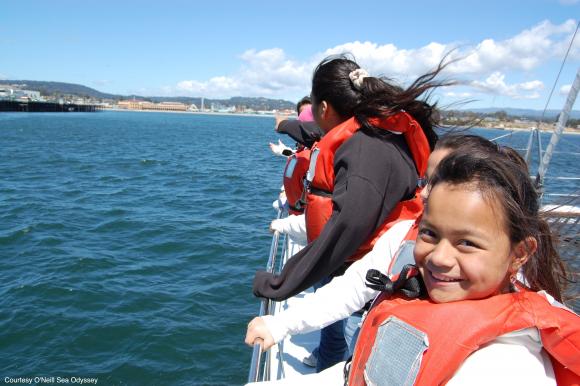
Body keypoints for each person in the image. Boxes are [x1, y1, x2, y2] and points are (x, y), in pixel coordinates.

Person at [246, 146, 579, 385]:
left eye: (467, 243)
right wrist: (280, 325)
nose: (439, 258)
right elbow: (366, 370)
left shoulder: (507, 366)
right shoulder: (417, 269)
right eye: (430, 233)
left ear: (520, 254)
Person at [254, 55, 447, 371]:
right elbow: (309, 133)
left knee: (354, 359)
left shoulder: (363, 150)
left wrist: (278, 285)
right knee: (334, 343)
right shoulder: (372, 136)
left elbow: (345, 229)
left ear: (325, 109)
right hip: (356, 273)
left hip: (367, 288)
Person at [246, 134, 501, 356]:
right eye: (426, 180)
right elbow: (352, 287)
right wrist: (280, 324)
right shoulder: (403, 236)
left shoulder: (513, 356)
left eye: (468, 243)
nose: (424, 193)